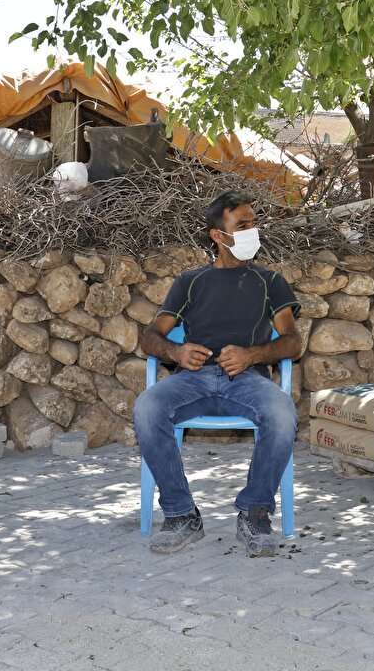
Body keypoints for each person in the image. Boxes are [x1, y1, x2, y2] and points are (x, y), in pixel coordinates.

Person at [134, 190, 302, 557]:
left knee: (281, 411)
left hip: (248, 380)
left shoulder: (270, 281)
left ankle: (255, 513)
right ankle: (181, 515)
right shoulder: (190, 282)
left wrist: (253, 354)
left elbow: (292, 343)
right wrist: (175, 351)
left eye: (254, 223)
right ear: (217, 235)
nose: (252, 231)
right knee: (148, 407)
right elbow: (150, 337)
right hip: (192, 379)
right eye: (242, 225)